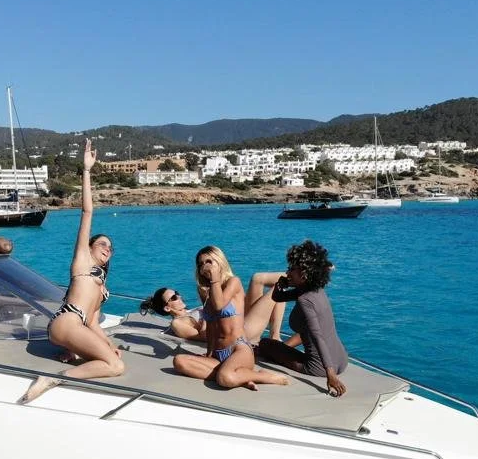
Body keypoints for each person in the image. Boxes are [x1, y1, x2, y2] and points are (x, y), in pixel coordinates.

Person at [19, 139, 123, 403]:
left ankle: (70, 353)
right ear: (89, 247)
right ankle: (52, 378)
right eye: (102, 244)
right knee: (115, 367)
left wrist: (110, 345)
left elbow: (94, 323)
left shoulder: (101, 285)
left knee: (110, 358)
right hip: (67, 322)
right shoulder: (82, 261)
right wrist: (86, 170)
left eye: (110, 247)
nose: (107, 248)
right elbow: (87, 212)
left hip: (77, 327)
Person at [172, 246, 289, 391]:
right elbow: (211, 325)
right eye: (201, 264)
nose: (205, 266)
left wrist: (215, 279)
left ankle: (260, 375)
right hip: (217, 353)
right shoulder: (204, 291)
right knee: (179, 361)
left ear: (220, 261)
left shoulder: (233, 282)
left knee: (224, 378)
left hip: (238, 349)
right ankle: (241, 377)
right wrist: (209, 352)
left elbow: (219, 305)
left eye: (209, 262)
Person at [255, 240, 349, 397]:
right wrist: (280, 284)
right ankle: (284, 348)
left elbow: (317, 337)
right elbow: (278, 297)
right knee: (283, 344)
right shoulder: (314, 289)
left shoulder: (304, 300)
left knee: (265, 343)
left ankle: (283, 350)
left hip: (319, 367)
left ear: (304, 274)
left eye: (292, 269)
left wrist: (330, 374)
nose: (288, 272)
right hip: (342, 360)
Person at [141, 272, 286, 343]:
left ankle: (275, 336)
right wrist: (208, 309)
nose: (179, 297)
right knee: (278, 288)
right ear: (167, 308)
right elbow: (204, 337)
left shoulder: (190, 311)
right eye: (173, 298)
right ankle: (274, 337)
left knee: (258, 278)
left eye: (177, 293)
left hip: (238, 318)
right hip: (237, 332)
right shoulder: (177, 323)